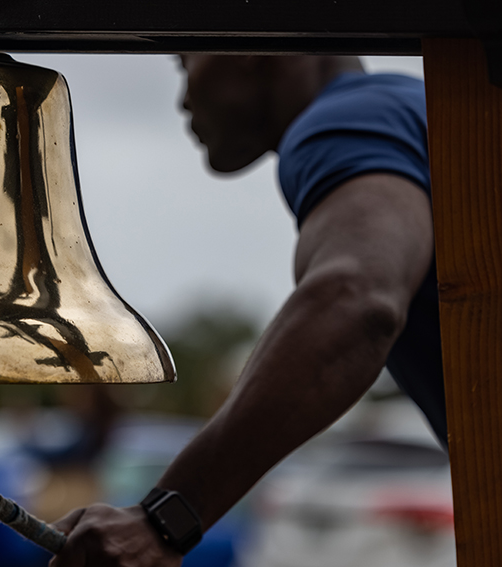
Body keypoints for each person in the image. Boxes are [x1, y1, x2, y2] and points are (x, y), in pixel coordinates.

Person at [48, 54, 444, 567]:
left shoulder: (347, 122)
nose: (182, 97)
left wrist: (166, 519)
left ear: (258, 45)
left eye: (186, 60)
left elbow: (356, 298)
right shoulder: (408, 108)